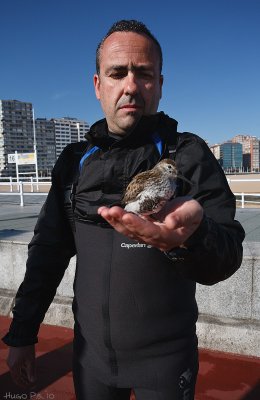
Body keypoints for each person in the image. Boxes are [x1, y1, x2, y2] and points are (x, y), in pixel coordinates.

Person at [3, 19, 245, 400]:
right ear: (98, 85)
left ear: (160, 85)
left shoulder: (189, 155)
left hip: (166, 364)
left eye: (144, 73)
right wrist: (22, 334)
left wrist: (193, 237)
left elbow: (228, 253)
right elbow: (47, 253)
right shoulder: (73, 161)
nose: (131, 85)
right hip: (90, 361)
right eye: (117, 73)